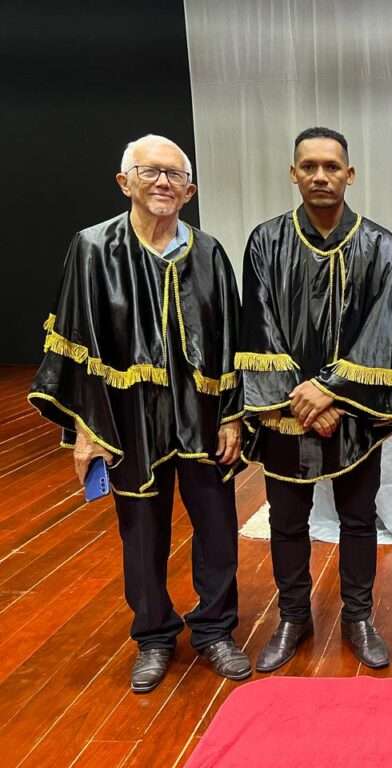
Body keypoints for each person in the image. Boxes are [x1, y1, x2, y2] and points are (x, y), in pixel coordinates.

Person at [29, 134, 250, 693]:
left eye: (175, 175)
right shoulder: (93, 248)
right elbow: (76, 341)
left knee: (218, 526)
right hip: (128, 418)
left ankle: (215, 630)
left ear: (190, 190)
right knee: (142, 531)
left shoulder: (209, 252)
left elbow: (230, 340)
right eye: (150, 172)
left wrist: (231, 416)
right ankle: (154, 635)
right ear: (124, 181)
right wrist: (86, 429)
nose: (163, 183)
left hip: (202, 416)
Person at [237, 127, 392, 672]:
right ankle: (293, 616)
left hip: (353, 415)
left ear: (349, 174)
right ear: (293, 173)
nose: (320, 175)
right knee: (287, 519)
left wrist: (331, 391)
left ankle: (358, 617)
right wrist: (303, 399)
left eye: (331, 166)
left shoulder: (381, 246)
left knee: (358, 518)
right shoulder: (265, 242)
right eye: (309, 166)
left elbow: (385, 331)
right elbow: (260, 326)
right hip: (285, 414)